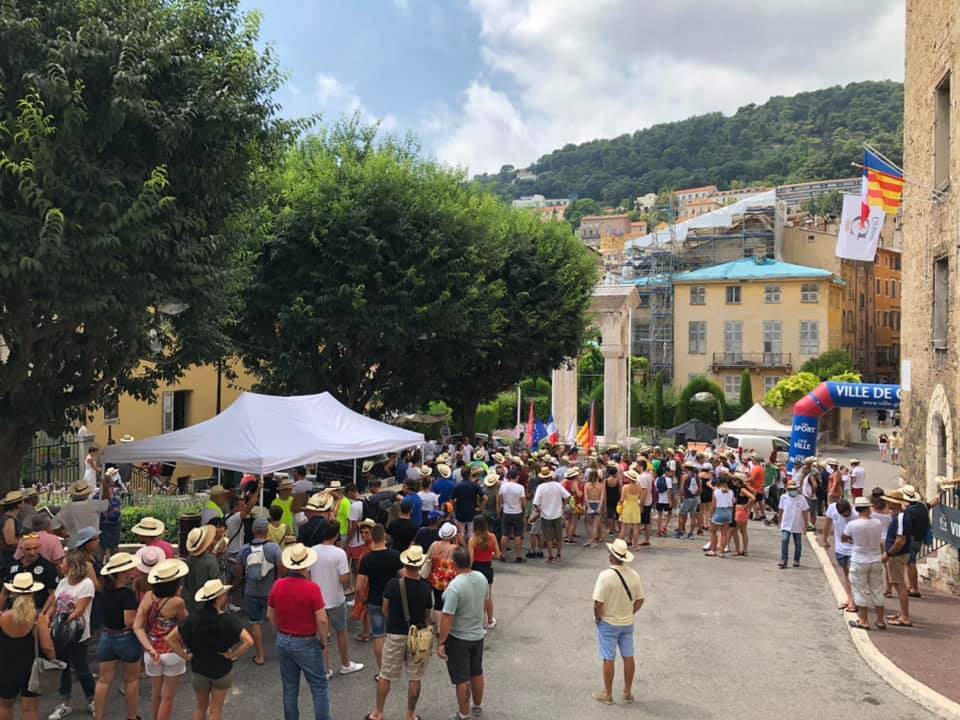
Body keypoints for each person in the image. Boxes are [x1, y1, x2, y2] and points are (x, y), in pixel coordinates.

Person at [165, 579, 253, 720]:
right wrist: (232, 655)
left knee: (200, 707)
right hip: (221, 669)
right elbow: (248, 641)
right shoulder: (229, 620)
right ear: (219, 598)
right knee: (215, 711)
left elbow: (170, 638)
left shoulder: (192, 618)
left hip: (199, 668)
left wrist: (185, 656)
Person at [365, 545, 433, 720]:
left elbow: (385, 609)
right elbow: (426, 616)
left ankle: (378, 712)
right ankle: (410, 714)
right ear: (420, 565)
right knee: (415, 677)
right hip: (416, 636)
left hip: (395, 633)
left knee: (385, 675)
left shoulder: (393, 584)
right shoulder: (426, 589)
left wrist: (393, 622)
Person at [267, 543, 330, 720]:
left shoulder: (278, 585)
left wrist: (279, 631)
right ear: (307, 565)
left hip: (283, 639)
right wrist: (323, 640)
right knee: (319, 686)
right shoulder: (312, 588)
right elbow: (322, 619)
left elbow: (270, 614)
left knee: (289, 687)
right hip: (306, 641)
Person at [591, 538, 644, 705]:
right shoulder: (634, 575)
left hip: (608, 622)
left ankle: (608, 694)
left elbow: (598, 603)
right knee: (628, 656)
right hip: (627, 622)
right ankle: (627, 692)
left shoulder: (605, 576)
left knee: (608, 657)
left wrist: (598, 618)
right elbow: (640, 600)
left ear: (611, 557)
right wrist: (630, 611)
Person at [134, 559, 189, 720]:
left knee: (156, 695)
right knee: (168, 698)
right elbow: (185, 623)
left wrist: (149, 648)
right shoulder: (177, 602)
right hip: (172, 651)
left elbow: (137, 626)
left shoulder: (148, 596)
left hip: (151, 652)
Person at [438, 548, 488, 720]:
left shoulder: (455, 586)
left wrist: (441, 642)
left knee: (461, 678)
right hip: (477, 634)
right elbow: (485, 600)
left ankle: (464, 713)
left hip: (459, 637)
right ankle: (478, 706)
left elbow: (447, 617)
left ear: (454, 564)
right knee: (476, 672)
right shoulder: (481, 578)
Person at [309, 524, 364, 677]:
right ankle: (345, 663)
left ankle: (325, 669)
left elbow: (307, 574)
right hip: (336, 598)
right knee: (341, 631)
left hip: (318, 600)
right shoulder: (339, 553)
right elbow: (344, 578)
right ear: (336, 535)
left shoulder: (312, 551)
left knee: (322, 635)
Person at [0, 571, 55, 720]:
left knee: (4, 705)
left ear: (13, 593)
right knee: (29, 708)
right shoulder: (39, 619)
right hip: (31, 669)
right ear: (33, 593)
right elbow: (47, 646)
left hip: (5, 666)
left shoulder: (3, 617)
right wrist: (53, 659)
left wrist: (4, 594)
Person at [49, 550, 97, 720]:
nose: (60, 565)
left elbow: (79, 610)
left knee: (82, 668)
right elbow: (55, 604)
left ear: (71, 566)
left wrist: (62, 622)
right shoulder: (62, 582)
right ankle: (65, 702)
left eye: (63, 562)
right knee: (63, 668)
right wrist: (48, 619)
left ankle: (92, 699)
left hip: (77, 633)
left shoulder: (86, 584)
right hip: (60, 632)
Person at [93, 552, 141, 720]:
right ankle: (132, 716)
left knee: (104, 680)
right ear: (123, 573)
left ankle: (98, 716)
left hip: (107, 637)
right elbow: (129, 621)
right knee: (131, 680)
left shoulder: (104, 592)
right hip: (126, 638)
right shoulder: (127, 595)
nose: (134, 571)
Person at [357, 524, 403, 673]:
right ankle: (395, 665)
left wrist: (364, 599)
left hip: (374, 600)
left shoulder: (366, 559)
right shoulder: (396, 556)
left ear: (372, 537)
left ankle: (383, 670)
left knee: (378, 635)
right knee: (394, 635)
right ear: (384, 537)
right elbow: (403, 577)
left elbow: (359, 586)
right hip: (393, 601)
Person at [239, 518, 282, 666]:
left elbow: (240, 570)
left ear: (252, 531)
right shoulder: (273, 548)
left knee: (255, 623)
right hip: (271, 590)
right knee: (275, 619)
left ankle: (260, 656)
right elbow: (281, 566)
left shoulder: (244, 549)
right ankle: (283, 652)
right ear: (267, 530)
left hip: (251, 591)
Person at [843, 497, 886, 630]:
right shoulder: (877, 523)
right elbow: (880, 539)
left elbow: (844, 537)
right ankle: (880, 620)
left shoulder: (852, 525)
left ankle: (863, 620)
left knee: (859, 590)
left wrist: (853, 540)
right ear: (868, 508)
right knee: (877, 590)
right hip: (875, 558)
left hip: (859, 558)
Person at [1, 532, 57, 616]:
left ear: (39, 547)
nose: (32, 552)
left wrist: (43, 613)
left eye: (35, 548)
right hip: (13, 609)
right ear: (21, 549)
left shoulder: (48, 567)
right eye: (28, 549)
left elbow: (53, 594)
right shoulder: (13, 566)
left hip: (36, 610)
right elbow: (4, 593)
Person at [882, 490, 913, 627]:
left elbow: (900, 540)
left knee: (899, 585)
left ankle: (905, 616)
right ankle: (902, 613)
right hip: (898, 554)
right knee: (898, 583)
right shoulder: (900, 516)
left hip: (897, 555)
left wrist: (888, 554)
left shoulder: (900, 518)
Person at [467, 515, 500, 629]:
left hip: (476, 568)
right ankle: (490, 620)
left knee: (476, 597)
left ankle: (478, 623)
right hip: (487, 567)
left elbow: (470, 559)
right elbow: (499, 554)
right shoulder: (492, 537)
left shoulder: (473, 540)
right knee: (488, 596)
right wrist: (491, 554)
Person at [822, 499, 856, 612]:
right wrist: (824, 539)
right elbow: (827, 524)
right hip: (840, 549)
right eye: (843, 515)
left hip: (854, 550)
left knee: (853, 576)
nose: (845, 517)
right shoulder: (832, 508)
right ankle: (850, 598)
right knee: (846, 574)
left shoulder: (856, 514)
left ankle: (853, 601)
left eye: (847, 515)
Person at [55, 479, 111, 546]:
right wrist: (105, 486)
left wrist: (64, 535)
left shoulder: (67, 508)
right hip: (91, 542)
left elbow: (54, 526)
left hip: (75, 542)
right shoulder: (93, 505)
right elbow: (107, 502)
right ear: (87, 493)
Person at [532, 467, 570, 563]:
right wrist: (563, 505)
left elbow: (536, 503)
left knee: (548, 537)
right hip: (557, 513)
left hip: (545, 515)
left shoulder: (540, 487)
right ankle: (558, 554)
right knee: (558, 536)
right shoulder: (557, 485)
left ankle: (550, 556)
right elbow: (567, 496)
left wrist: (539, 510)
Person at [424, 523, 459, 626]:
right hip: (449, 579)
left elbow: (427, 558)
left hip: (435, 578)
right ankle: (447, 625)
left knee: (438, 602)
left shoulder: (434, 545)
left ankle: (439, 627)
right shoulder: (454, 548)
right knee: (449, 602)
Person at [183, 525, 219, 615]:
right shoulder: (211, 560)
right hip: (207, 601)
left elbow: (185, 582)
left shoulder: (188, 559)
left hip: (191, 600)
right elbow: (215, 582)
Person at [777, 480, 807, 568]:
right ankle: (784, 560)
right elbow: (781, 510)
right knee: (784, 540)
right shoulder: (784, 497)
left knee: (798, 544)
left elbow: (805, 512)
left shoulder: (802, 498)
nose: (792, 491)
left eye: (794, 489)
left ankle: (796, 560)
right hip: (786, 524)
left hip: (797, 524)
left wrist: (805, 525)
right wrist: (779, 521)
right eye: (790, 489)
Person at [706, 474, 735, 558]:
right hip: (728, 512)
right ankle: (721, 552)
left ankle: (713, 550)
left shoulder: (716, 491)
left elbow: (713, 505)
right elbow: (731, 505)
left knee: (713, 532)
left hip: (719, 512)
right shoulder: (731, 492)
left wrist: (710, 516)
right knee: (724, 533)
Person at [451, 470, 485, 540]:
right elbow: (485, 498)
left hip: (460, 512)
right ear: (470, 475)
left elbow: (451, 500)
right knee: (471, 534)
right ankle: (471, 548)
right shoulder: (475, 485)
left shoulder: (457, 486)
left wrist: (455, 507)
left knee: (460, 533)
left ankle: (462, 548)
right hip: (472, 512)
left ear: (461, 475)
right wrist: (481, 508)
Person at [0, 491, 24, 575]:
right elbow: (10, 540)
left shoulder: (9, 518)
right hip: (8, 557)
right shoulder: (9, 520)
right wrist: (24, 541)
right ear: (18, 505)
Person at [675, 462, 700, 539]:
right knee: (693, 516)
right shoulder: (696, 476)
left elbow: (682, 488)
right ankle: (691, 534)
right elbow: (699, 488)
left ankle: (681, 532)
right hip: (695, 498)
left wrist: (681, 497)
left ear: (686, 468)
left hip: (687, 497)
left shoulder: (685, 476)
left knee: (682, 515)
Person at [583, 467, 605, 547]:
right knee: (595, 525)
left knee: (588, 523)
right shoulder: (601, 485)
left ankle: (589, 540)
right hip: (597, 504)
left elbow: (585, 496)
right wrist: (599, 507)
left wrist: (588, 506)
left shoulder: (587, 485)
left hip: (589, 504)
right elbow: (602, 497)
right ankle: (592, 541)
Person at [653, 467, 674, 537]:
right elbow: (669, 490)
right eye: (670, 472)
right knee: (670, 513)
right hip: (666, 500)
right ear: (666, 472)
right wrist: (670, 500)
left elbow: (655, 489)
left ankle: (658, 530)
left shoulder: (657, 479)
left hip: (659, 499)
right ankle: (664, 526)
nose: (671, 473)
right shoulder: (668, 480)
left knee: (659, 515)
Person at [604, 465, 622, 538]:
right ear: (615, 473)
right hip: (617, 499)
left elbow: (604, 492)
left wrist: (604, 502)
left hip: (609, 499)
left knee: (610, 515)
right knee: (618, 515)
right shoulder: (618, 481)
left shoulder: (606, 480)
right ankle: (620, 529)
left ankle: (611, 530)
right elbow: (620, 491)